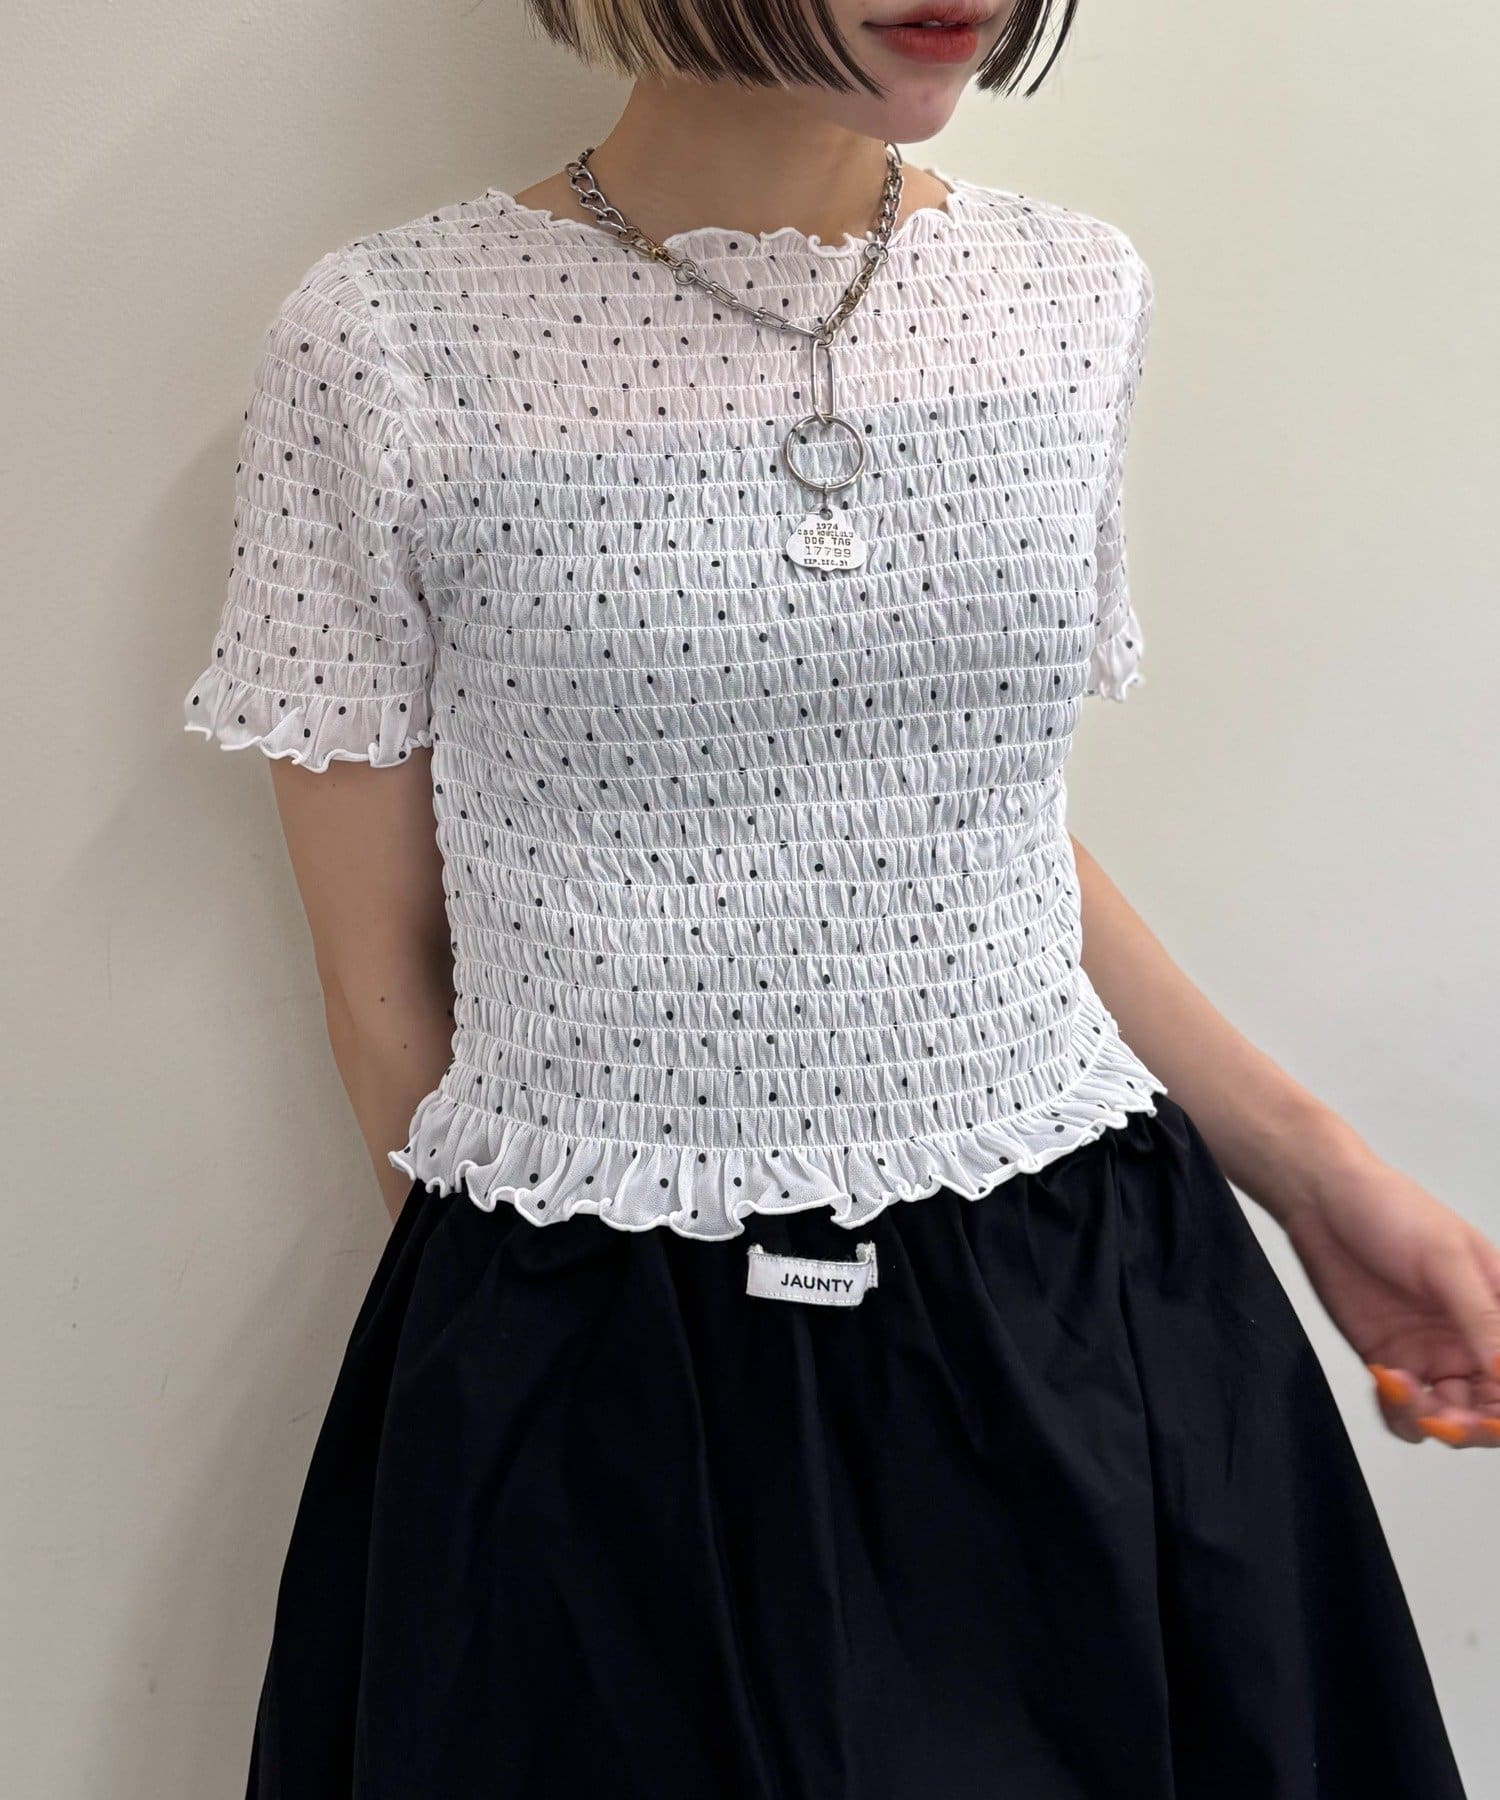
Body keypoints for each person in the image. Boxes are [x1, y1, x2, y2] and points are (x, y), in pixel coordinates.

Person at [181, 1, 1493, 1793]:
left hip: (1082, 1319)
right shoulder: (389, 341)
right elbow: (382, 972)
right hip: (610, 1362)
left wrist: (1323, 1177)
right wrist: (531, 1385)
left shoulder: (1066, 297)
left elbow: (981, 842)